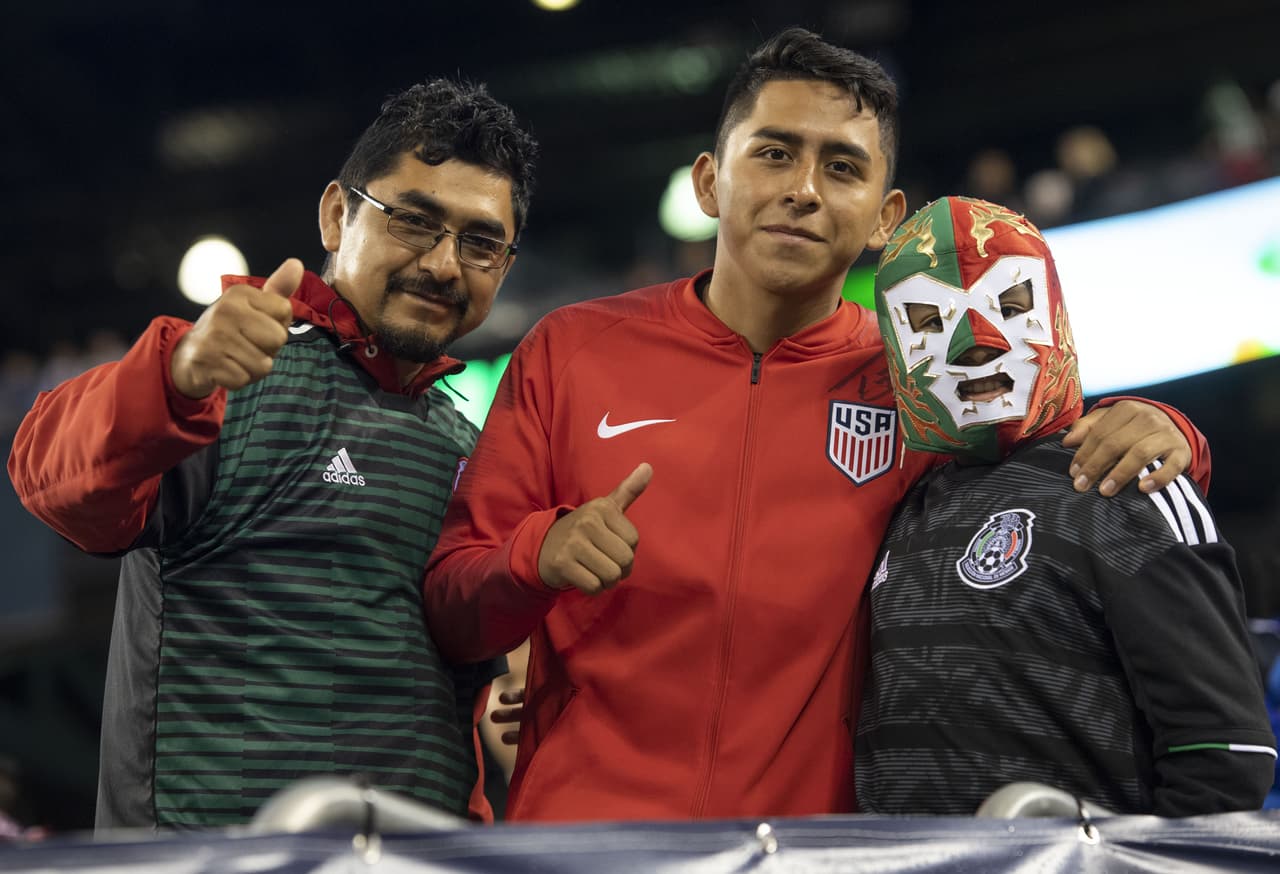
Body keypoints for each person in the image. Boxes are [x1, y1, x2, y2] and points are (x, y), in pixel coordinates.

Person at [421, 28, 1209, 822]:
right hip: (588, 844)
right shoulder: (570, 350)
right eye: (772, 153)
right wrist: (536, 558)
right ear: (707, 183)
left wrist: (1169, 427)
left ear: (884, 216)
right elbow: (454, 607)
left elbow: (1063, 465)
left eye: (842, 166)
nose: (803, 189)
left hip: (816, 851)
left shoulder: (921, 379)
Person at [7, 78, 538, 831]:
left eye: (480, 242)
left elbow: (462, 724)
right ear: (335, 215)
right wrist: (176, 375)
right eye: (415, 222)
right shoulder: (224, 375)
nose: (446, 264)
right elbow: (50, 481)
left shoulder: (471, 454)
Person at [854, 196, 1275, 815]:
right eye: (928, 318)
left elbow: (1226, 752)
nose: (976, 343)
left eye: (1010, 303)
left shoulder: (1123, 474)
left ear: (1052, 310)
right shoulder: (904, 501)